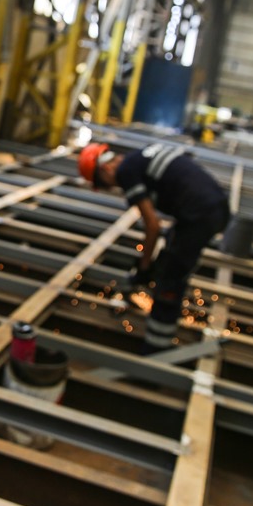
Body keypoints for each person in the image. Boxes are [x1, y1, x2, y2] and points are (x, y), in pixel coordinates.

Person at [78, 142, 229, 354]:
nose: (113, 188)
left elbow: (153, 226)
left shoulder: (126, 171)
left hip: (201, 216)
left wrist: (144, 266)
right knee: (171, 247)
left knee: (170, 279)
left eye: (104, 184)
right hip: (214, 209)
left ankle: (155, 350)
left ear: (105, 169)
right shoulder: (137, 157)